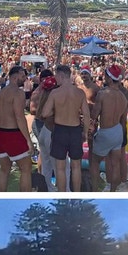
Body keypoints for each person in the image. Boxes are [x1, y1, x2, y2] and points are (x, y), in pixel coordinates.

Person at [41, 64, 90, 192]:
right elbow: (86, 114)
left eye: (56, 75)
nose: (55, 78)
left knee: (60, 167)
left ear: (61, 76)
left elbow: (45, 113)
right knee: (76, 166)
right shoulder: (79, 93)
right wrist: (84, 132)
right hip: (74, 130)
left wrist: (57, 111)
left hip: (60, 130)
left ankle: (62, 195)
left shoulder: (55, 93)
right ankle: (77, 194)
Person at [90, 64, 128, 192]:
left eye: (106, 75)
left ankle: (95, 190)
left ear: (110, 79)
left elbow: (94, 115)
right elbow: (123, 120)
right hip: (118, 130)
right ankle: (113, 191)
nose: (104, 78)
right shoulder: (123, 97)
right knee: (115, 164)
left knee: (94, 161)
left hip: (106, 131)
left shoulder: (103, 94)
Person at [0, 65, 33, 192]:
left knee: (4, 170)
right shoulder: (18, 92)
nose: (25, 79)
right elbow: (19, 116)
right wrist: (28, 139)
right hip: (13, 134)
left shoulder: (2, 92)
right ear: (15, 76)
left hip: (1, 133)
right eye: (23, 76)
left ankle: (0, 198)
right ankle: (26, 200)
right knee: (26, 169)